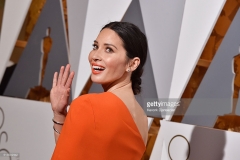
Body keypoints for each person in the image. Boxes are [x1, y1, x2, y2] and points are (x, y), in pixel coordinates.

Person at [51, 22, 148, 160]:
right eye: (95, 46)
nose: (95, 56)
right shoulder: (142, 120)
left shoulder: (87, 105)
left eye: (109, 50)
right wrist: (59, 115)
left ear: (132, 64)